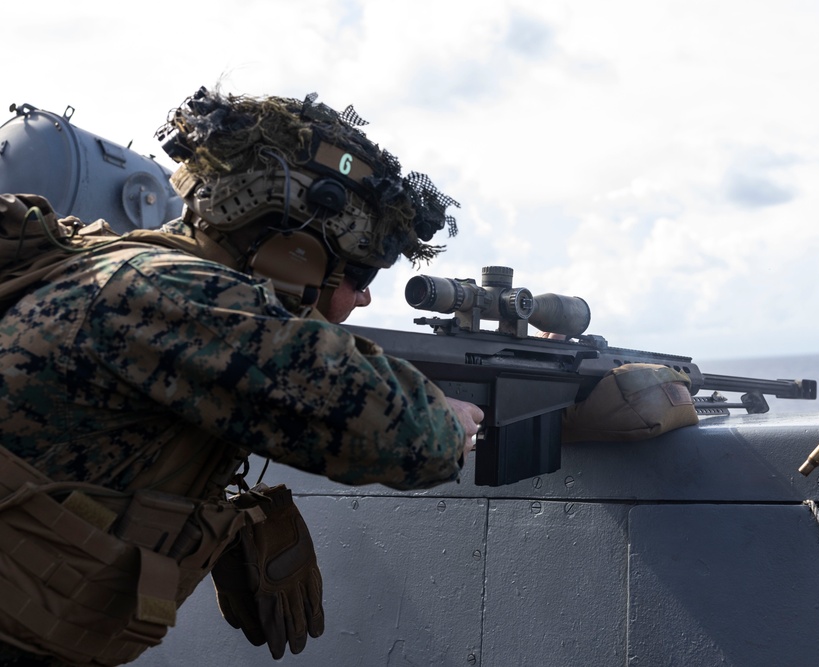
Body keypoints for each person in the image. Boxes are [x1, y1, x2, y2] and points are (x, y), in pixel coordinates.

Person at [0, 87, 483, 666]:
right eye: (356, 272)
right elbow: (411, 440)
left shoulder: (130, 263)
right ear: (294, 248)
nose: (362, 294)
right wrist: (451, 421)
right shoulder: (178, 292)